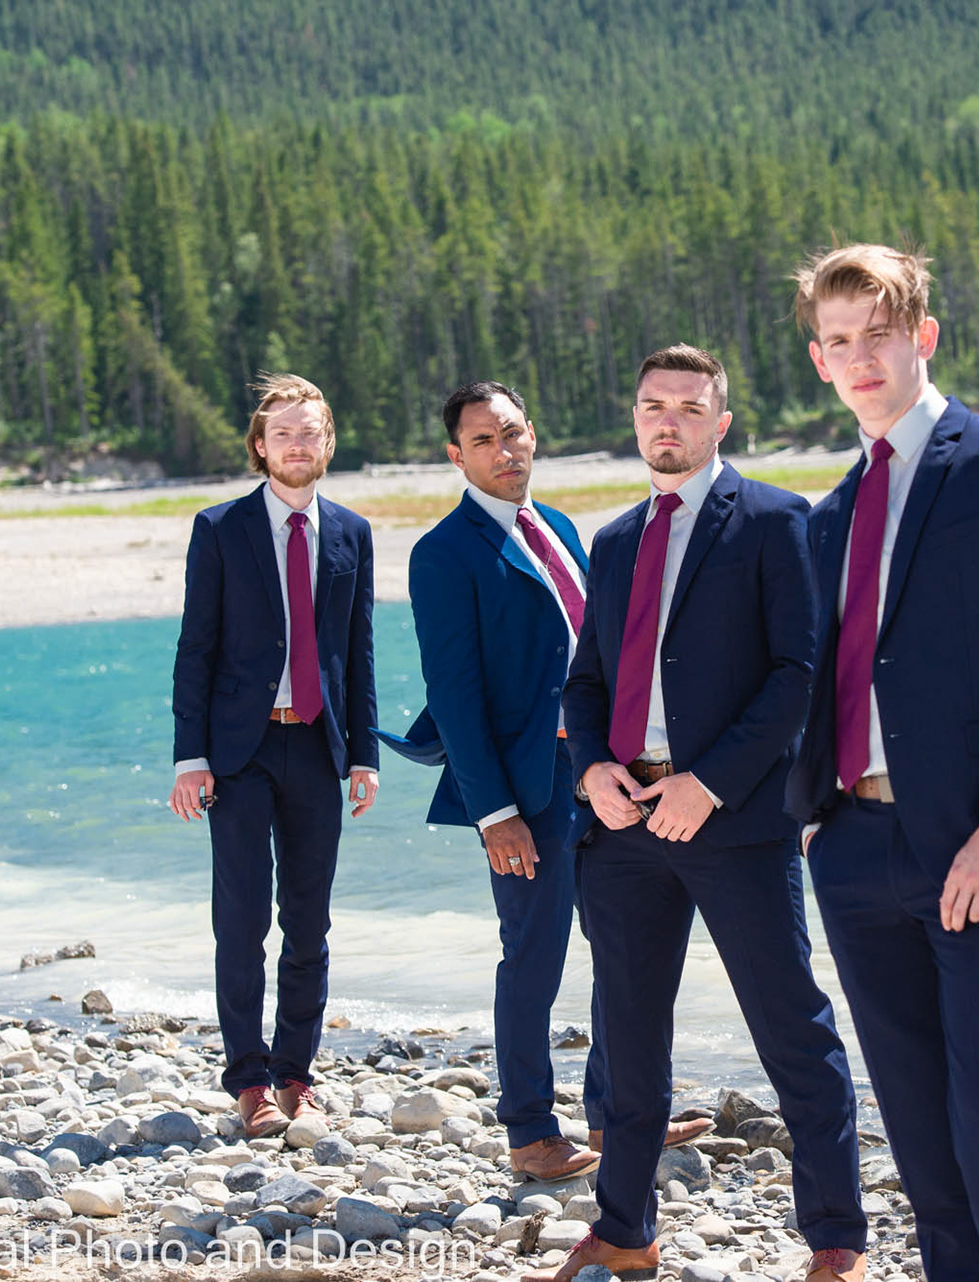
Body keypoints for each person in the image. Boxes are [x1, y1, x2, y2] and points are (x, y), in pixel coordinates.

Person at [784, 244, 979, 1282]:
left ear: (921, 336)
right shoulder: (828, 516)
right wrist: (816, 818)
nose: (860, 356)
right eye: (838, 342)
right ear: (821, 363)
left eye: (877, 333)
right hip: (858, 852)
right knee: (920, 1131)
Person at [536, 346, 867, 1282]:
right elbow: (588, 679)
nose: (668, 421)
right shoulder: (612, 541)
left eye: (688, 406)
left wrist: (708, 782)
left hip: (736, 823)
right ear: (635, 420)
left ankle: (835, 1240)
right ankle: (625, 1229)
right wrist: (594, 768)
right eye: (652, 406)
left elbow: (798, 674)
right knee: (630, 1035)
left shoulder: (773, 521)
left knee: (791, 1027)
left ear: (722, 422)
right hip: (623, 821)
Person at [400, 380, 610, 1182]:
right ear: (456, 455)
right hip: (529, 787)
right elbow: (454, 695)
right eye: (484, 441)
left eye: (514, 433)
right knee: (534, 955)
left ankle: (616, 1117)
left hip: (601, 774)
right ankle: (529, 1129)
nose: (505, 450)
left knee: (623, 944)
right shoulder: (443, 554)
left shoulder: (555, 525)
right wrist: (495, 812)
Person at [168, 373, 380, 1139]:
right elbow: (196, 648)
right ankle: (248, 1078)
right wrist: (189, 756)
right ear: (261, 447)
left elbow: (357, 653)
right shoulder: (221, 528)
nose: (298, 444)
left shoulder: (352, 532)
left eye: (311, 431)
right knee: (242, 918)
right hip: (238, 751)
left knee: (310, 922)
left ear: (327, 443)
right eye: (283, 432)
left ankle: (297, 1072)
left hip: (319, 748)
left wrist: (366, 754)